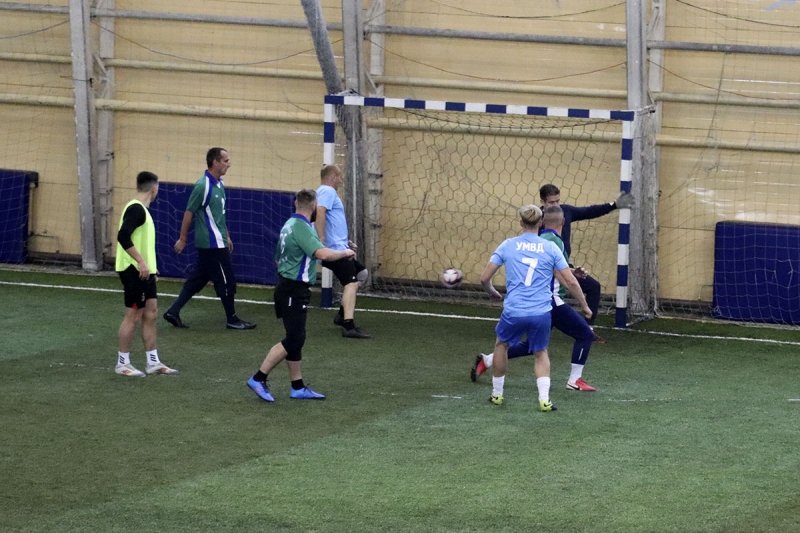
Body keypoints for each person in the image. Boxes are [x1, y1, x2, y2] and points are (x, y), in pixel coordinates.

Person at [472, 205, 598, 391]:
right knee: (585, 334)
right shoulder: (553, 242)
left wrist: (571, 271)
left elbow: (547, 267)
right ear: (562, 222)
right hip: (549, 301)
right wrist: (585, 305)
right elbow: (563, 277)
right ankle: (574, 380)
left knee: (532, 345)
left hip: (533, 302)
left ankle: (488, 360)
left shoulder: (532, 240)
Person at [246, 189, 356, 402]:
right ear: (313, 206)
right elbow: (321, 254)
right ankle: (258, 377)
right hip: (293, 289)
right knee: (295, 338)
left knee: (295, 337)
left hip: (286, 286)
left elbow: (278, 258)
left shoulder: (289, 224)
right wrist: (344, 253)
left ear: (296, 203)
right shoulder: (301, 227)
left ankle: (297, 386)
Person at [163, 147, 255, 330]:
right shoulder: (202, 185)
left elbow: (219, 215)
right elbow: (189, 212)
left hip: (218, 241)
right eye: (225, 161)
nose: (229, 164)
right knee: (227, 280)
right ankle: (232, 319)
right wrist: (182, 238)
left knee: (198, 279)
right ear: (215, 162)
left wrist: (227, 235)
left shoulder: (219, 184)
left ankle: (173, 311)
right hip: (212, 245)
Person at [539, 183, 634, 338]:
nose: (555, 205)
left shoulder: (565, 211)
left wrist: (614, 205)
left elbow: (589, 211)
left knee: (593, 287)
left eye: (557, 201)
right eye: (551, 202)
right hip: (545, 271)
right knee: (550, 306)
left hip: (564, 267)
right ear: (543, 202)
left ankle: (588, 328)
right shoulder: (538, 219)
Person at [114, 171, 179, 377]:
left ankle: (153, 362)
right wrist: (141, 262)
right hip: (134, 270)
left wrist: (150, 266)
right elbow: (123, 236)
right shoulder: (136, 209)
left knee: (151, 313)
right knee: (133, 315)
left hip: (144, 271)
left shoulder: (142, 210)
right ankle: (122, 363)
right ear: (154, 188)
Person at [315, 164, 370, 339]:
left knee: (362, 274)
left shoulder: (325, 192)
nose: (341, 180)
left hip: (339, 246)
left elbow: (332, 221)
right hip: (334, 250)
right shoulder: (327, 191)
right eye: (339, 176)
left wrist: (345, 242)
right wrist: (321, 239)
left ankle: (341, 314)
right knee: (351, 283)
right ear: (332, 177)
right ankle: (348, 325)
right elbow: (320, 212)